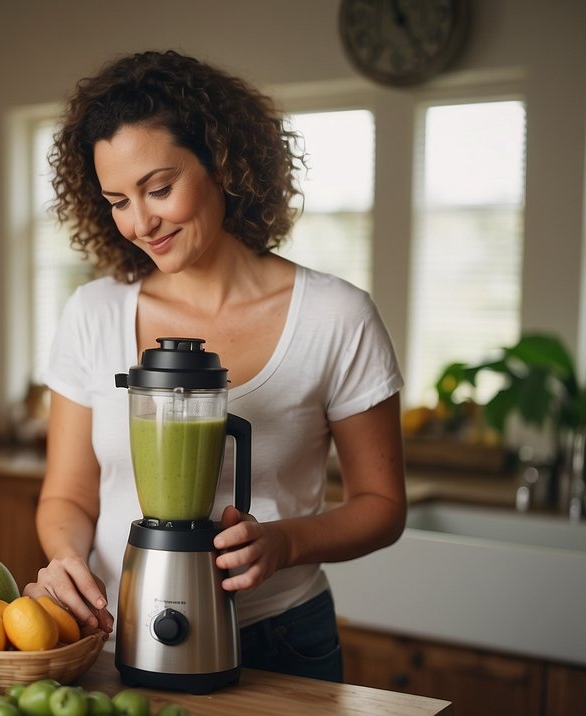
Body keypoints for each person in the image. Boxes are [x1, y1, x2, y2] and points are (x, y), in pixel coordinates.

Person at [22, 50, 407, 683]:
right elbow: (66, 494)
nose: (140, 223)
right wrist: (67, 560)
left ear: (224, 164)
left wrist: (286, 543)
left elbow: (381, 504)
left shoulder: (335, 316)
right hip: (121, 628)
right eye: (118, 199)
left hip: (280, 636)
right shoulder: (93, 314)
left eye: (160, 188)